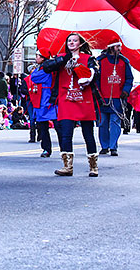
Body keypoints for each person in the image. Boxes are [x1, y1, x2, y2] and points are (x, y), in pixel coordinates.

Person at [42, 33, 100, 177]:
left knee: (88, 134)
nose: (72, 43)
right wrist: (64, 59)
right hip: (66, 100)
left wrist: (84, 71)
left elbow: (95, 73)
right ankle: (67, 166)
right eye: (69, 41)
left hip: (84, 99)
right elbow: (46, 67)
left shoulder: (88, 59)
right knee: (66, 134)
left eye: (75, 40)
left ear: (80, 43)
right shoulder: (62, 58)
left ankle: (93, 166)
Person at [96, 42, 133, 156]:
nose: (119, 49)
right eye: (117, 46)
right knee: (102, 123)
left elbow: (129, 78)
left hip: (118, 98)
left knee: (115, 122)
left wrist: (126, 91)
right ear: (111, 47)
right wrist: (97, 93)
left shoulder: (124, 62)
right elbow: (96, 78)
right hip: (103, 97)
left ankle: (113, 146)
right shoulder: (100, 61)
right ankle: (104, 146)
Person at [26, 50, 57, 158]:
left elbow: (34, 77)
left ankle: (55, 149)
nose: (36, 58)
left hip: (47, 98)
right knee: (43, 127)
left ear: (43, 58)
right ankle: (46, 148)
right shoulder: (42, 68)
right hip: (41, 99)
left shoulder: (47, 69)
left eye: (37, 56)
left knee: (55, 126)